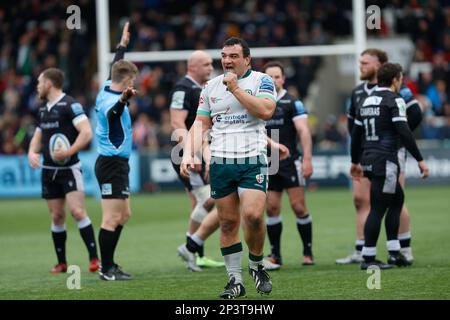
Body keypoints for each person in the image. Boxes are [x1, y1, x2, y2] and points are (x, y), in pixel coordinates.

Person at [181, 37, 278, 299]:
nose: (227, 60)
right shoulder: (210, 87)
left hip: (251, 159)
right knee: (227, 224)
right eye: (224, 55)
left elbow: (267, 111)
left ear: (247, 59)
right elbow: (200, 124)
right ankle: (235, 281)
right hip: (222, 162)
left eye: (233, 56)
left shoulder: (262, 81)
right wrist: (189, 152)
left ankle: (257, 266)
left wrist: (235, 89)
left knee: (255, 216)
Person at [337, 49, 423, 265]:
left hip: (369, 156)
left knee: (395, 200)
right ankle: (368, 256)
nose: (361, 66)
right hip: (385, 158)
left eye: (365, 62)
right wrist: (419, 158)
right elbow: (403, 129)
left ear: (379, 66)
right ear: (395, 79)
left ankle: (398, 250)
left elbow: (356, 133)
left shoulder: (367, 101)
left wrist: (356, 160)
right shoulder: (391, 98)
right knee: (378, 206)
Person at [28, 67, 100, 273]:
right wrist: (32, 152)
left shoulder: (71, 105)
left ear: (49, 84)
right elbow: (39, 135)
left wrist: (69, 151)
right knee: (57, 216)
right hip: (48, 170)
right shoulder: (43, 109)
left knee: (77, 211)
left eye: (40, 82)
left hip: (69, 168)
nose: (38, 86)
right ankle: (62, 262)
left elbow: (86, 133)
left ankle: (94, 259)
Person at [169, 50, 224, 271]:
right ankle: (191, 249)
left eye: (211, 63)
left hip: (202, 149)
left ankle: (195, 252)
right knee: (212, 200)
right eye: (206, 64)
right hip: (188, 152)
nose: (210, 67)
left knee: (203, 202)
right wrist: (191, 153)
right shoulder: (183, 88)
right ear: (192, 67)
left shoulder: (203, 88)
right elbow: (176, 123)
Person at [94, 22, 138, 281]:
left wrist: (122, 45)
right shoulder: (113, 99)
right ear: (127, 82)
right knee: (111, 218)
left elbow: (116, 65)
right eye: (131, 80)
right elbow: (114, 113)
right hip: (110, 164)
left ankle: (110, 264)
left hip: (118, 164)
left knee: (124, 215)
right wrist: (124, 100)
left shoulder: (105, 87)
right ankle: (106, 268)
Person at [261, 61, 314, 270]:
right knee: (272, 208)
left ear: (283, 79)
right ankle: (276, 255)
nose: (273, 80)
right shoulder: (258, 102)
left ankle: (307, 252)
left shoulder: (293, 102)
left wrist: (307, 158)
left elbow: (303, 131)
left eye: (276, 77)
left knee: (299, 207)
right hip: (269, 162)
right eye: (269, 77)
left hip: (290, 161)